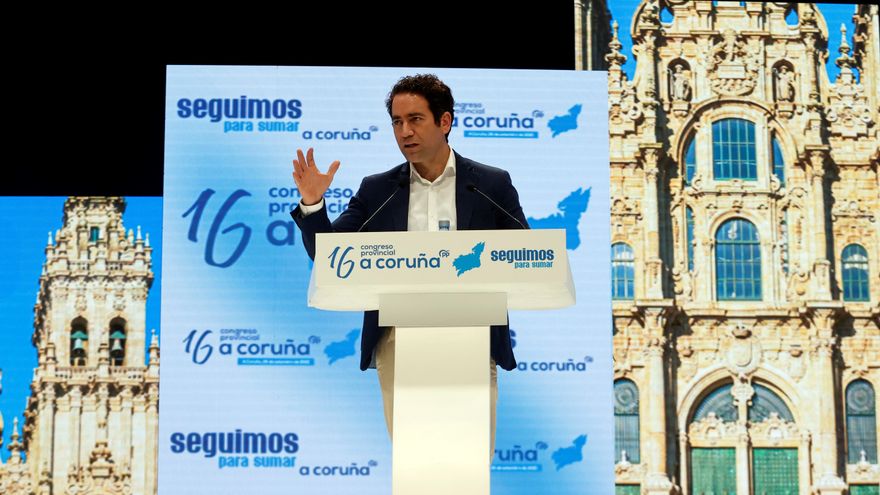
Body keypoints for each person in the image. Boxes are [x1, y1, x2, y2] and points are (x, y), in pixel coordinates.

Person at [289, 74, 528, 456]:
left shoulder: (490, 184)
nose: (405, 132)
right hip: (399, 343)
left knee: (467, 464)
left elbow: (524, 256)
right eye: (397, 122)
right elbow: (328, 257)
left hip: (472, 338)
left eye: (415, 119)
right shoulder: (378, 189)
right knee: (416, 465)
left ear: (444, 122)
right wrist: (314, 205)